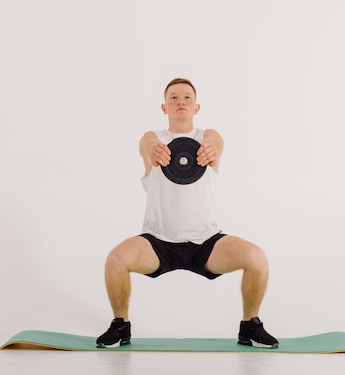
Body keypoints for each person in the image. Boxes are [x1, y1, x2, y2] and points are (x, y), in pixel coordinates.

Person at [96, 78, 278, 349]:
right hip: (158, 242)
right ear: (164, 107)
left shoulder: (208, 141)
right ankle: (120, 325)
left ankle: (250, 326)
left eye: (187, 98)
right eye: (173, 98)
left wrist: (214, 147)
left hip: (206, 242)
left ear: (196, 107)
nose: (180, 102)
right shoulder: (154, 140)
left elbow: (216, 140)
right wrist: (151, 152)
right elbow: (145, 144)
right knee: (115, 260)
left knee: (257, 258)